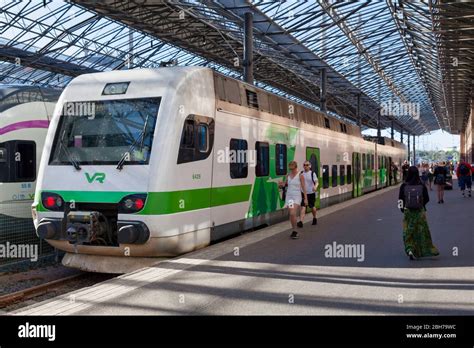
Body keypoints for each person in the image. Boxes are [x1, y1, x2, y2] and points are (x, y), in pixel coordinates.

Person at [398, 166, 439, 260]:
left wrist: (402, 209)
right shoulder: (421, 185)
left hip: (408, 212)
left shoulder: (404, 185)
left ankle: (410, 249)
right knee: (421, 231)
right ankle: (423, 250)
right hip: (420, 212)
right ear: (417, 173)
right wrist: (421, 205)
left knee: (408, 231)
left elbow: (400, 199)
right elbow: (427, 199)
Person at [279, 161, 308, 239]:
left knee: (292, 213)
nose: (291, 169)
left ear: (295, 167)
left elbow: (304, 187)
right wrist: (281, 185)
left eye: (292, 167)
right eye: (290, 168)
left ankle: (295, 231)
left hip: (297, 196)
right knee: (292, 214)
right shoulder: (288, 175)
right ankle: (294, 230)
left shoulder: (300, 175)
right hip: (289, 197)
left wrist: (305, 198)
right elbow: (285, 185)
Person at [298, 160, 318, 227]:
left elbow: (317, 182)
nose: (305, 166)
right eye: (304, 165)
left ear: (310, 166)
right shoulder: (301, 173)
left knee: (312, 207)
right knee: (303, 207)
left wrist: (315, 186)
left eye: (307, 165)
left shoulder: (312, 173)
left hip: (311, 193)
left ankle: (314, 218)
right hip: (303, 193)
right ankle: (301, 222)